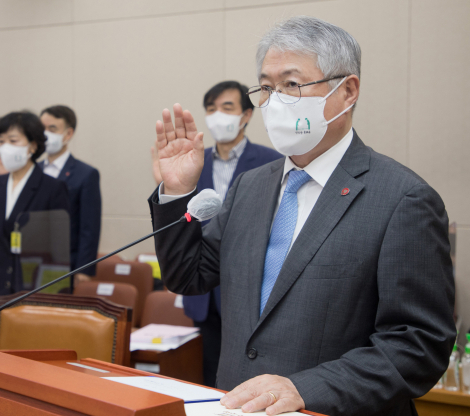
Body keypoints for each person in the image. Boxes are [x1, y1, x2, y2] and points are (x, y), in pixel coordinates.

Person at [149, 16, 455, 416]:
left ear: (347, 92)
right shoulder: (250, 186)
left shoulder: (403, 198)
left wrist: (305, 388)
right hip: (237, 405)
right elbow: (188, 276)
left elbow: (418, 344)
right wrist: (176, 190)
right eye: (266, 87)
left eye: (292, 85)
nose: (275, 101)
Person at [152, 81, 282, 387]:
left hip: (247, 291)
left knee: (250, 378)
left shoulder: (271, 162)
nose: (217, 116)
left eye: (227, 108)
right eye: (211, 109)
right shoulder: (193, 159)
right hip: (202, 292)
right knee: (210, 375)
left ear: (246, 115)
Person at [0, 111, 69, 312]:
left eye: (13, 140)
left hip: (33, 289)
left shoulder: (52, 188)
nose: (4, 148)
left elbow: (59, 251)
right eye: (1, 141)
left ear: (33, 146)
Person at [37, 105, 101, 283]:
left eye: (52, 129)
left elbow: (89, 228)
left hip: (67, 266)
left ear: (68, 134)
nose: (45, 134)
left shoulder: (86, 174)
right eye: (42, 128)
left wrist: (84, 271)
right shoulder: (33, 170)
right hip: (32, 262)